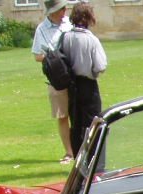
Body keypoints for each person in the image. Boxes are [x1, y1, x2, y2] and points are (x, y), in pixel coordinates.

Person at [61, 2, 106, 160]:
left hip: (72, 85)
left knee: (76, 123)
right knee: (94, 123)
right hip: (88, 84)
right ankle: (95, 160)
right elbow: (100, 65)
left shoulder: (66, 37)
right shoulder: (91, 39)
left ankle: (78, 160)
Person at [31, 0, 74, 164]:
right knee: (62, 116)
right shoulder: (41, 30)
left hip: (74, 75)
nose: (64, 11)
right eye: (61, 9)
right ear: (51, 12)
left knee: (78, 114)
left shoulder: (69, 23)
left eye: (64, 8)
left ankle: (82, 150)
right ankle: (69, 152)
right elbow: (36, 55)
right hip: (56, 78)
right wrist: (54, 58)